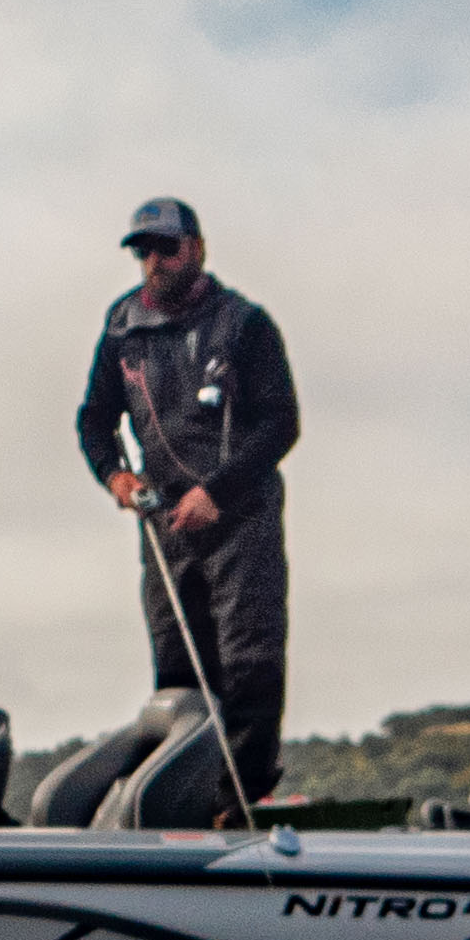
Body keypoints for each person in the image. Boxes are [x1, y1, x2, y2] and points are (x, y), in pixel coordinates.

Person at [74, 196, 299, 800]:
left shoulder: (244, 324)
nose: (154, 262)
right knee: (178, 671)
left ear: (195, 249)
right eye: (143, 251)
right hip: (164, 524)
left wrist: (216, 490)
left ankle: (244, 797)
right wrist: (115, 477)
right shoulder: (122, 328)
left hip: (239, 515)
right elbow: (94, 419)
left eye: (166, 248)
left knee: (248, 663)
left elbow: (281, 423)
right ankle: (186, 798)